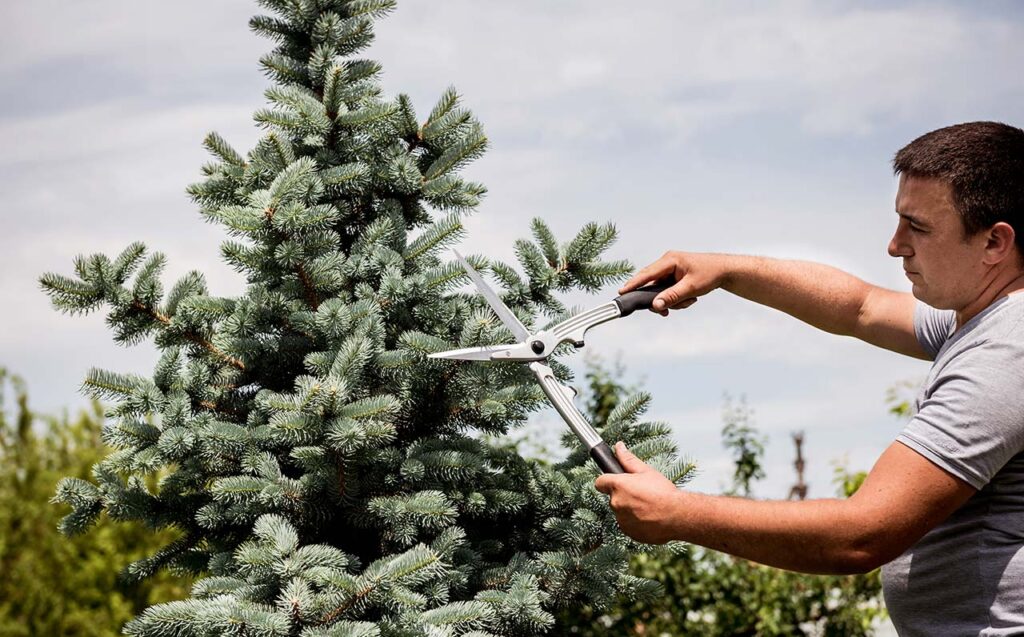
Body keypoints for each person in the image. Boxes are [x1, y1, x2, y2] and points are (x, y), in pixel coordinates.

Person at [595, 121, 1024, 635]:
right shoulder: (979, 316)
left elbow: (862, 535)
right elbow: (860, 307)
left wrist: (677, 513)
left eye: (919, 227)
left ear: (995, 243)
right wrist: (723, 269)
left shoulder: (1006, 351)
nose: (895, 245)